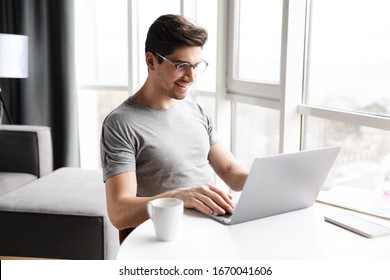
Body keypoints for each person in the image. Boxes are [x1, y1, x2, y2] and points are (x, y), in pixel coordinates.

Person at [100, 14, 249, 242]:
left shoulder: (196, 111)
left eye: (196, 66)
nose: (190, 77)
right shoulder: (121, 123)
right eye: (181, 66)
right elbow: (119, 213)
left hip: (211, 231)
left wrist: (275, 180)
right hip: (161, 240)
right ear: (151, 61)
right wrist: (179, 197)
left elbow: (230, 171)